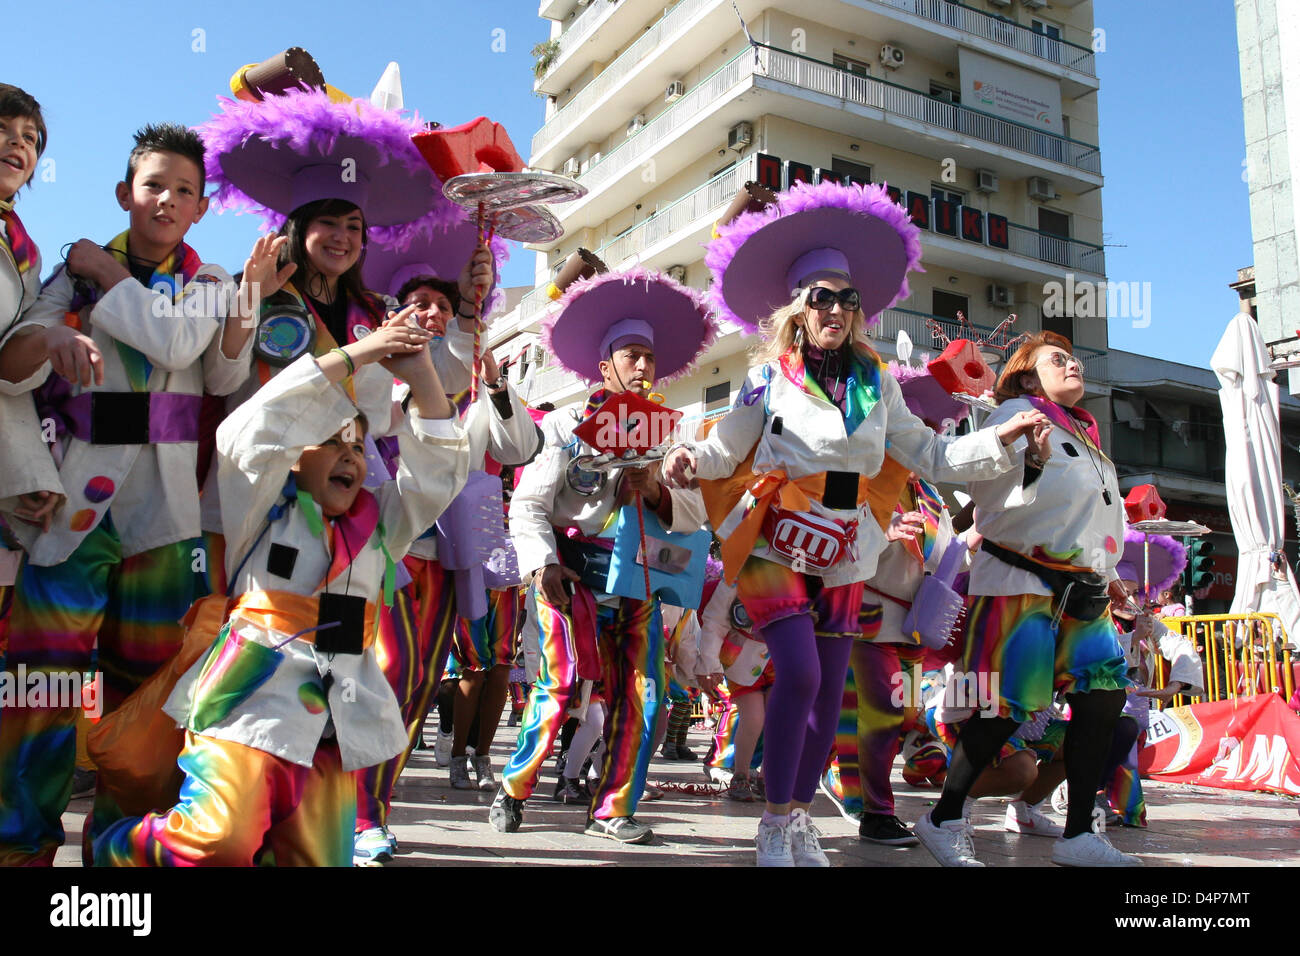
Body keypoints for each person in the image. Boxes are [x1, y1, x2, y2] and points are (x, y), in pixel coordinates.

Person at [663, 179, 1050, 866]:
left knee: (826, 697)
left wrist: (1003, 438)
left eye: (848, 298)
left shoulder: (879, 381)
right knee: (803, 677)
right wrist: (690, 456)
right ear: (799, 309)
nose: (837, 308)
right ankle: (773, 827)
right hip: (777, 540)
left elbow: (931, 453)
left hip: (845, 547)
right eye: (822, 297)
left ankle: (797, 814)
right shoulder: (771, 379)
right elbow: (728, 441)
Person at [95, 313, 468, 865]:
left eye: (359, 448)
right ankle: (113, 851)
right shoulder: (259, 511)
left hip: (337, 713)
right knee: (218, 840)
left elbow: (437, 474)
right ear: (295, 459)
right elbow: (253, 430)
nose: (351, 456)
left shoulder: (381, 528)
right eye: (333, 443)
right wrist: (361, 353)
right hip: (247, 702)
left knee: (312, 860)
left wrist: (421, 375)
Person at [0, 123, 256, 865]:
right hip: (72, 507)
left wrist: (107, 279)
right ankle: (20, 844)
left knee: (145, 691)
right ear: (125, 194)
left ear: (202, 208)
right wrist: (45, 343)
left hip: (168, 518)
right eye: (153, 186)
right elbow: (13, 365)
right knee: (39, 686)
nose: (167, 201)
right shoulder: (69, 274)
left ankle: (119, 853)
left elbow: (195, 361)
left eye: (184, 191)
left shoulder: (211, 282)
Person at [494, 259, 713, 844]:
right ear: (604, 367)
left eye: (648, 357)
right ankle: (515, 785)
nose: (641, 367)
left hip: (640, 578)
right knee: (563, 683)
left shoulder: (673, 433)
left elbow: (697, 516)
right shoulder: (567, 424)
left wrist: (659, 493)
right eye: (629, 357)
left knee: (646, 693)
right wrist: (543, 565)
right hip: (571, 574)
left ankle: (612, 809)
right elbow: (528, 503)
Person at [913, 331, 1140, 867]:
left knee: (1104, 697)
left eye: (1074, 355)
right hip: (1022, 584)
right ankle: (943, 818)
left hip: (1084, 591)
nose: (1073, 364)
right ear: (1028, 377)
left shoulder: (1086, 435)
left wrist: (1106, 574)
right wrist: (1029, 460)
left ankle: (1080, 832)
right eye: (1057, 359)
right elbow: (981, 491)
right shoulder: (1015, 413)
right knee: (1006, 707)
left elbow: (1095, 518)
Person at [351, 216, 538, 863]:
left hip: (456, 556)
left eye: (440, 304)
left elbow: (519, 446)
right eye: (419, 304)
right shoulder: (381, 372)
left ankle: (372, 809)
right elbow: (404, 396)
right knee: (385, 672)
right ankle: (348, 807)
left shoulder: (475, 386)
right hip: (381, 552)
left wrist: (500, 382)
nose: (430, 313)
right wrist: (460, 320)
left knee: (420, 680)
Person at [0, 84, 64, 655]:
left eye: (29, 138)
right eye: (3, 129)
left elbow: (8, 373)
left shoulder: (28, 255)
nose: (17, 144)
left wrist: (29, 473)